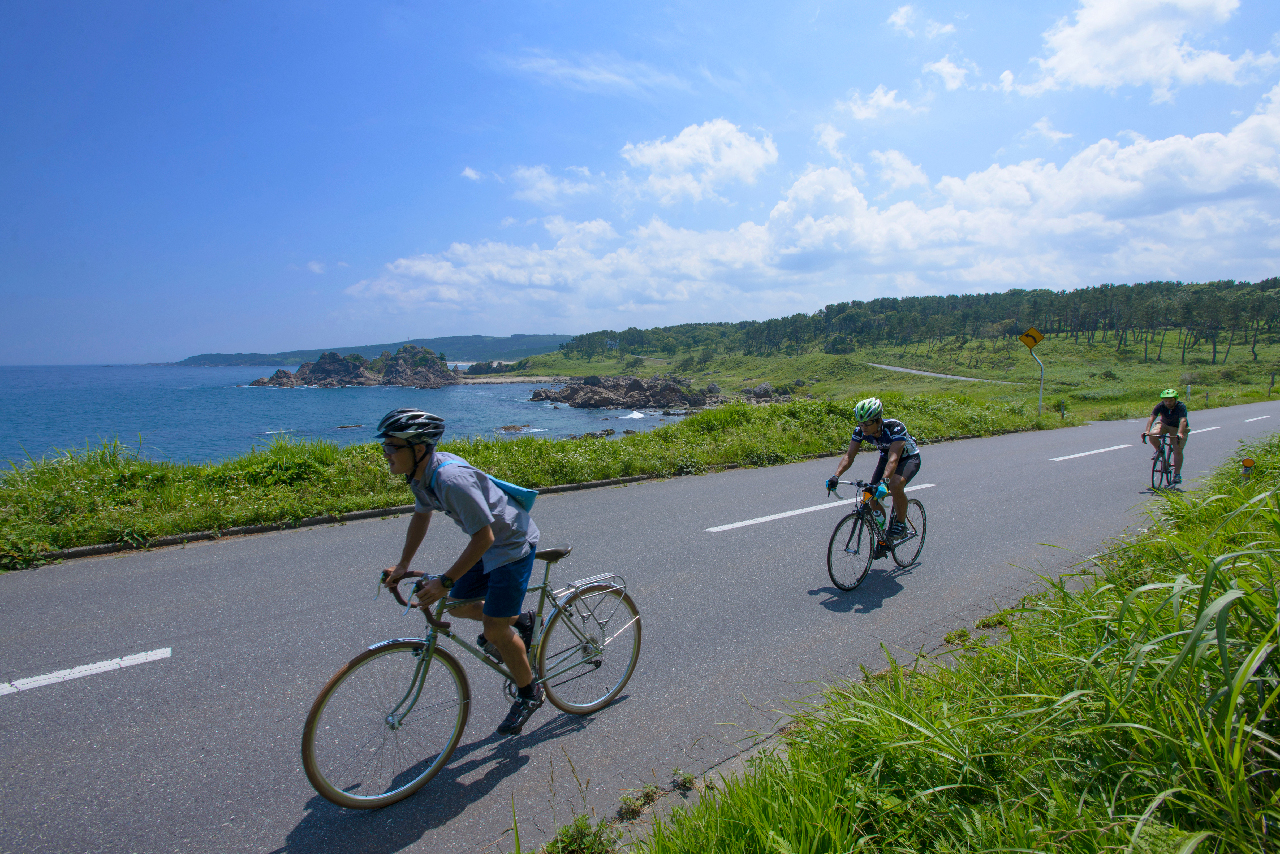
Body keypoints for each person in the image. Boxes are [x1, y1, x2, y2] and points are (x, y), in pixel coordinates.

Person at [376, 408, 544, 736]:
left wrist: (444, 581)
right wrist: (404, 564)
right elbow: (421, 516)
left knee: (493, 631)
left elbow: (485, 538)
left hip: (511, 543)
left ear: (419, 449)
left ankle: (530, 693)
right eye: (385, 447)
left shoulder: (450, 480)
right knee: (459, 604)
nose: (387, 455)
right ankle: (521, 621)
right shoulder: (420, 477)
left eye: (393, 448)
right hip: (487, 543)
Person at [826, 397, 922, 540]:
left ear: (878, 420)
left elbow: (894, 459)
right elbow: (849, 455)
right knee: (871, 493)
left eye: (867, 423)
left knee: (895, 484)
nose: (863, 427)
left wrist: (884, 482)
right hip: (886, 458)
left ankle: (901, 524)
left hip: (907, 458)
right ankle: (883, 535)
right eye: (860, 423)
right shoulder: (860, 431)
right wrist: (836, 476)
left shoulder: (895, 428)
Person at [1143, 388, 1189, 485]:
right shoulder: (1160, 405)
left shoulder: (1181, 406)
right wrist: (1147, 431)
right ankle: (1158, 450)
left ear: (1175, 400)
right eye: (1165, 401)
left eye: (1170, 401)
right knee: (1152, 434)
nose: (1168, 403)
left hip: (1178, 427)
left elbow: (1183, 421)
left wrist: (1180, 433)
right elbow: (1152, 418)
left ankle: (1177, 474)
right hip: (1164, 424)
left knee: (1177, 450)